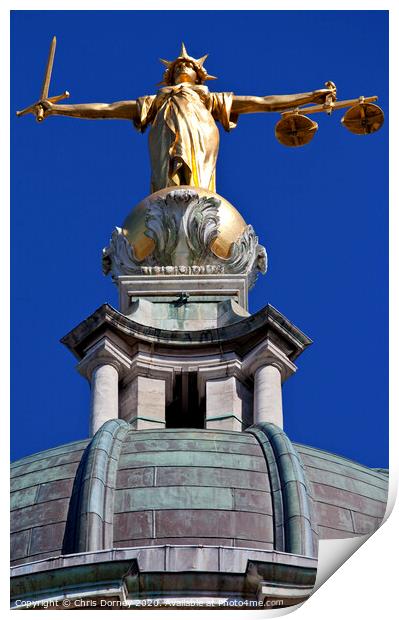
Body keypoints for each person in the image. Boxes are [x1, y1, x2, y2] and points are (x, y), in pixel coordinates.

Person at [38, 44, 336, 193]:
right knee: (168, 181)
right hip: (164, 134)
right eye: (178, 65)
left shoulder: (208, 97)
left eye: (188, 65)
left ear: (199, 75)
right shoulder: (156, 100)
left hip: (201, 133)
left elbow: (263, 102)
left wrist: (310, 96)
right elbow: (106, 109)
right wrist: (59, 109)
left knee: (198, 184)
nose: (183, 65)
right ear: (168, 75)